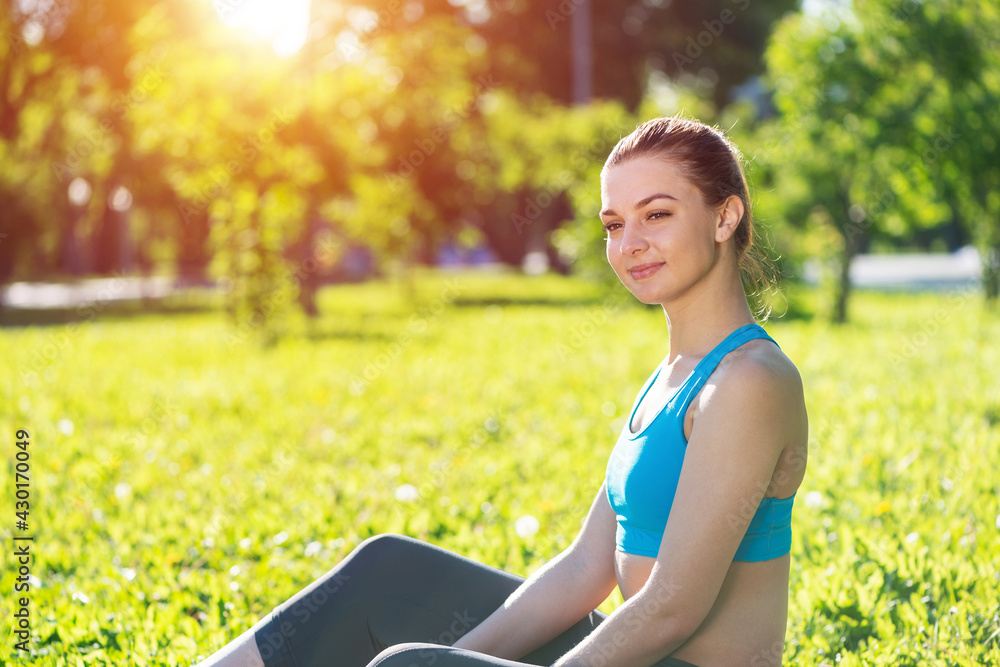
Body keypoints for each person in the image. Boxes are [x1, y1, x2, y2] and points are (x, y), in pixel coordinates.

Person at [194, 116, 809, 667]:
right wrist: (453, 657)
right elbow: (585, 568)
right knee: (389, 573)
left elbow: (673, 607)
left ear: (725, 217)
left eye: (657, 214)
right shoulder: (676, 373)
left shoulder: (748, 380)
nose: (629, 244)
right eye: (614, 224)